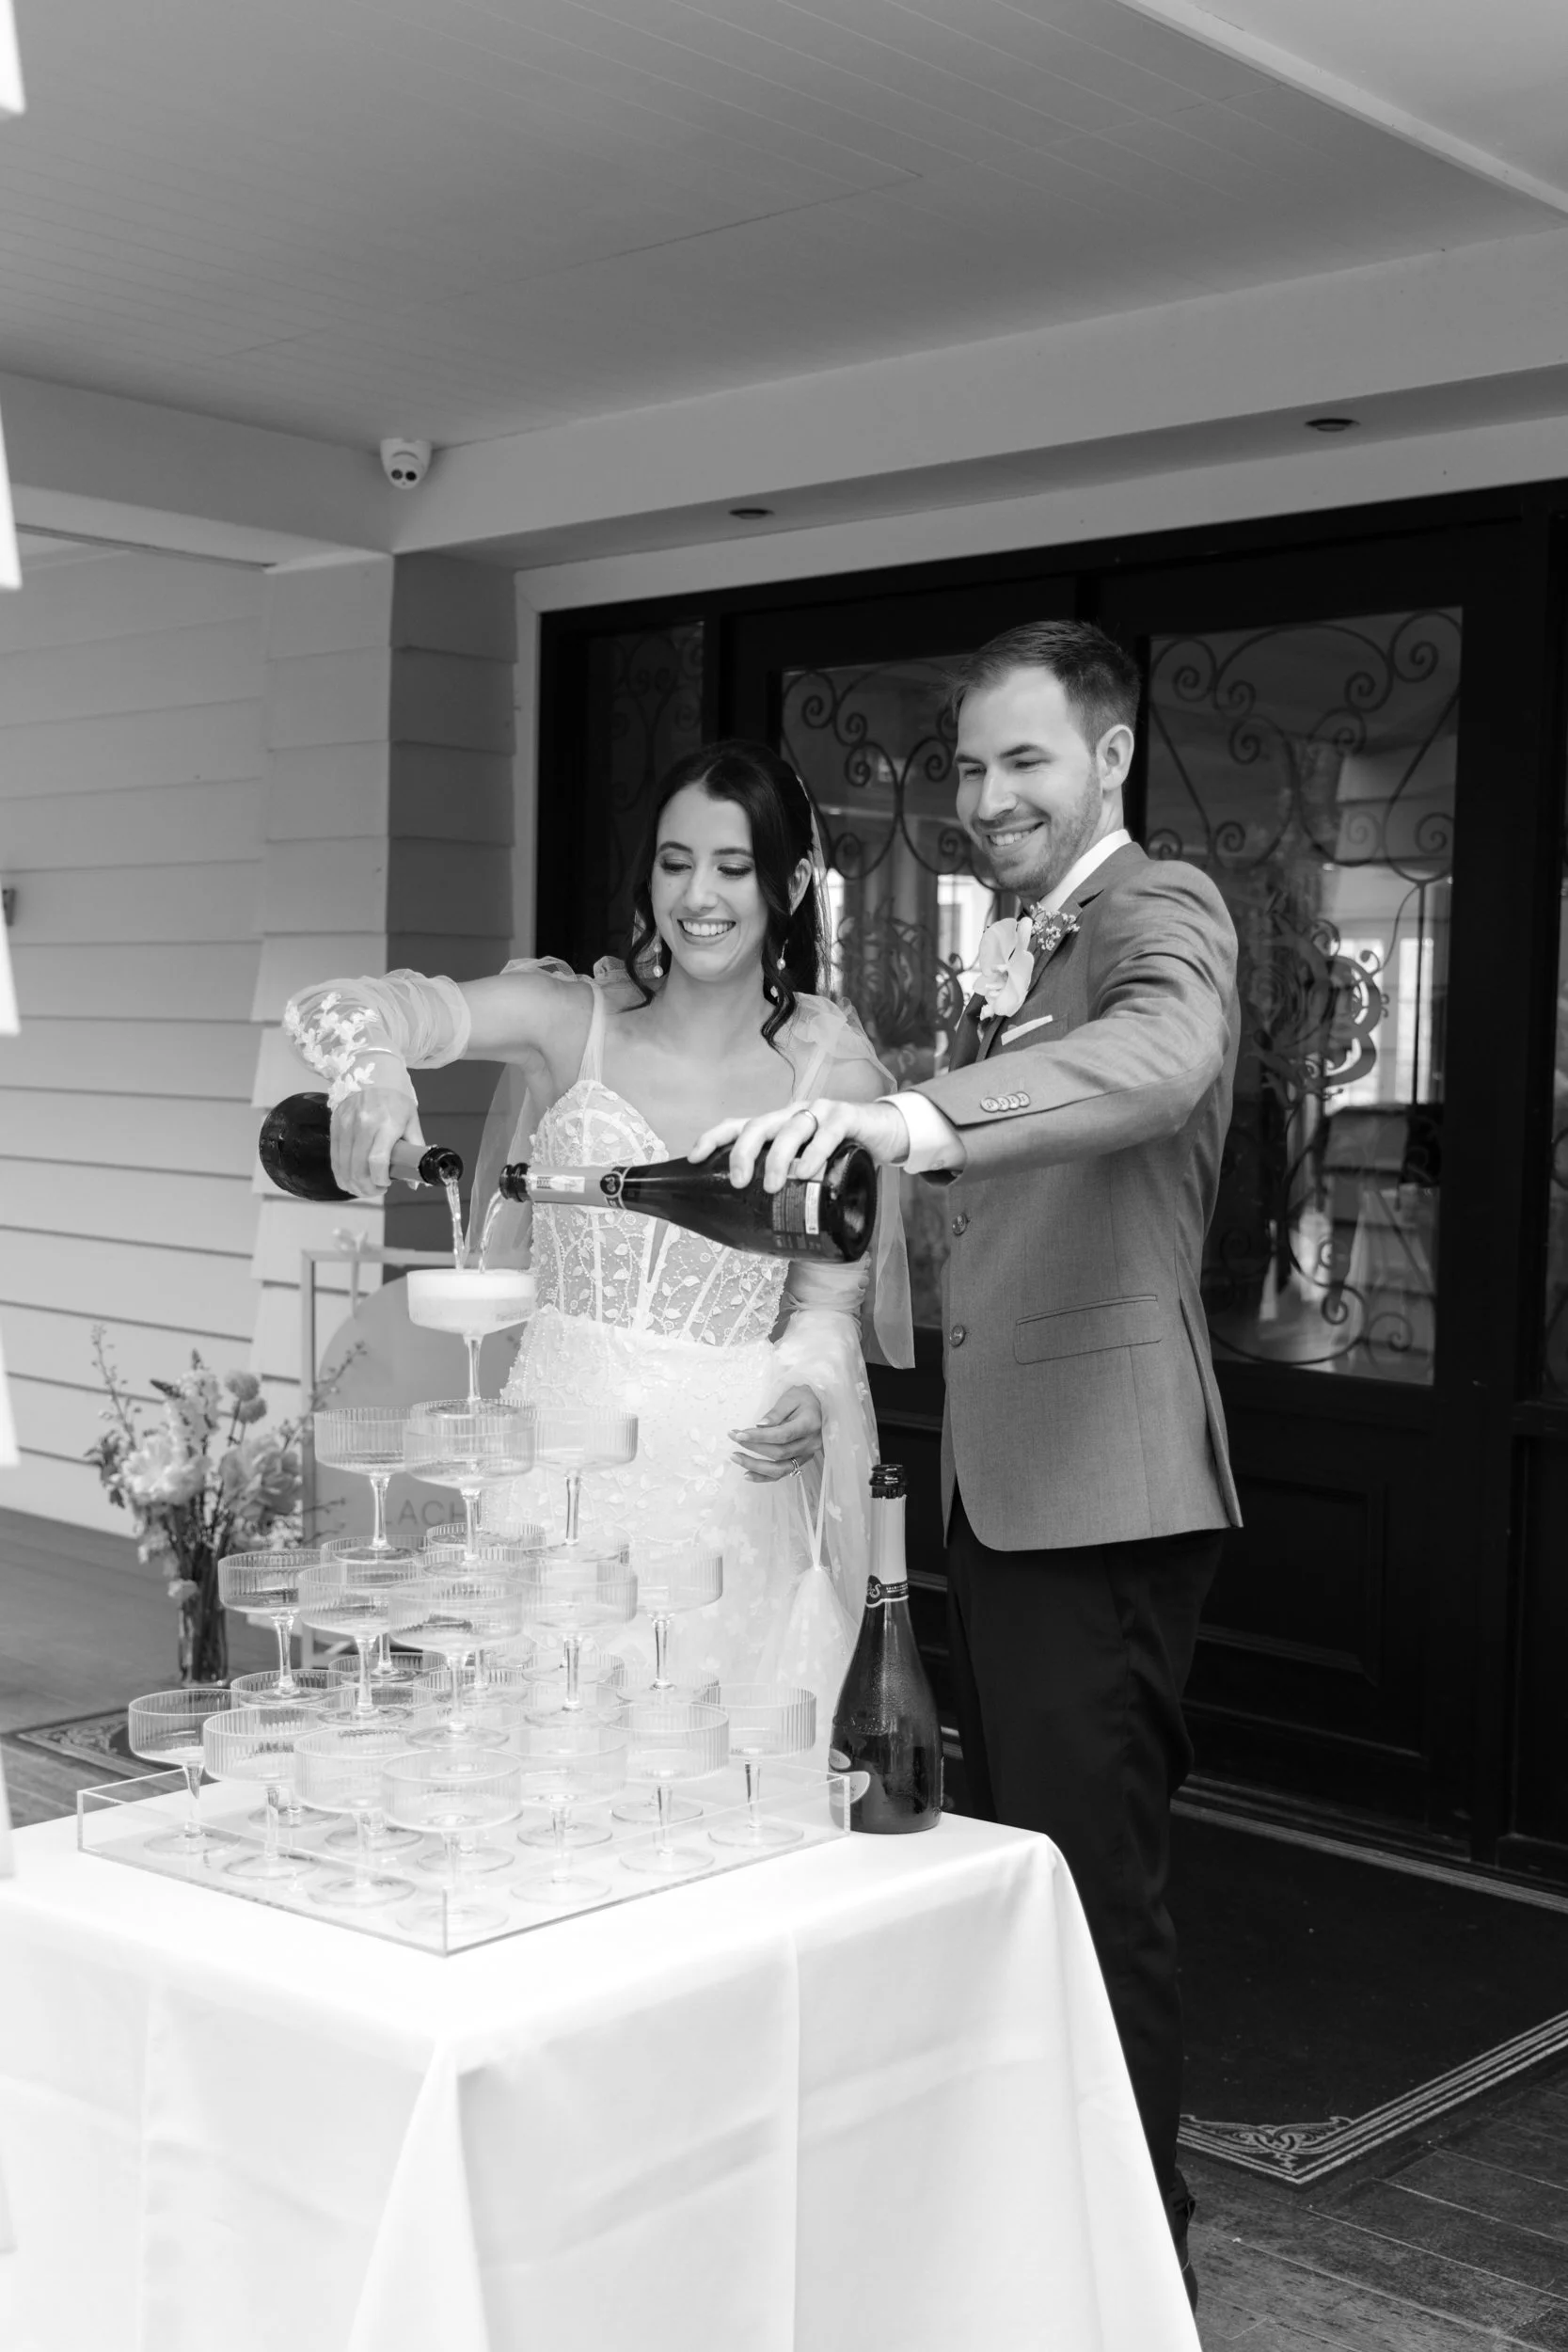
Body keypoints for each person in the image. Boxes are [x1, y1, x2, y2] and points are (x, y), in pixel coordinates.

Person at [698, 621, 1240, 2308]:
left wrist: (916, 1123)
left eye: (1027, 761)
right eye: (974, 766)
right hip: (1007, 1477)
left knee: (1095, 1893)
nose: (992, 795)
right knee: (1028, 1884)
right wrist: (844, 1136)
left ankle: (1137, 2261)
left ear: (1110, 758)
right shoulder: (1027, 940)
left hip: (1105, 1482)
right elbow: (980, 1141)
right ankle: (1047, 2219)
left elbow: (1157, 1061)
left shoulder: (1159, 911)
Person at [284, 739, 911, 1694]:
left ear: (786, 883)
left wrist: (814, 1390)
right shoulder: (565, 1022)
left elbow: (827, 1301)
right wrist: (370, 1075)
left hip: (723, 1484)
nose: (697, 894)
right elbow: (337, 1005)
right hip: (547, 1470)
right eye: (674, 862)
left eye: (732, 867)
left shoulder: (837, 1078)